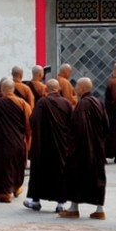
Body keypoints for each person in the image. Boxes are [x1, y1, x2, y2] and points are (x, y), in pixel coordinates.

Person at [61, 78, 108, 220]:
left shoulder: (83, 104)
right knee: (97, 177)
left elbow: (78, 129)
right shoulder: (98, 102)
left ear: (82, 88)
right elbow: (106, 126)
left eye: (76, 86)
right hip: (97, 148)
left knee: (76, 176)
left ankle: (74, 207)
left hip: (82, 149)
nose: (75, 88)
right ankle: (100, 210)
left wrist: (72, 147)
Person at [23, 78, 71, 213]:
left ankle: (36, 201)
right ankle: (61, 204)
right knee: (60, 172)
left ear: (46, 89)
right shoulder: (66, 103)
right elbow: (71, 123)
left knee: (39, 172)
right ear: (59, 89)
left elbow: (33, 120)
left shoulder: (42, 102)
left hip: (43, 145)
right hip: (61, 145)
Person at [0, 78, 31, 202]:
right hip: (17, 142)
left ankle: (4, 193)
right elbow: (29, 125)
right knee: (15, 167)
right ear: (13, 89)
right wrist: (28, 142)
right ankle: (14, 189)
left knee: (0, 168)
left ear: (2, 89)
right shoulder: (22, 104)